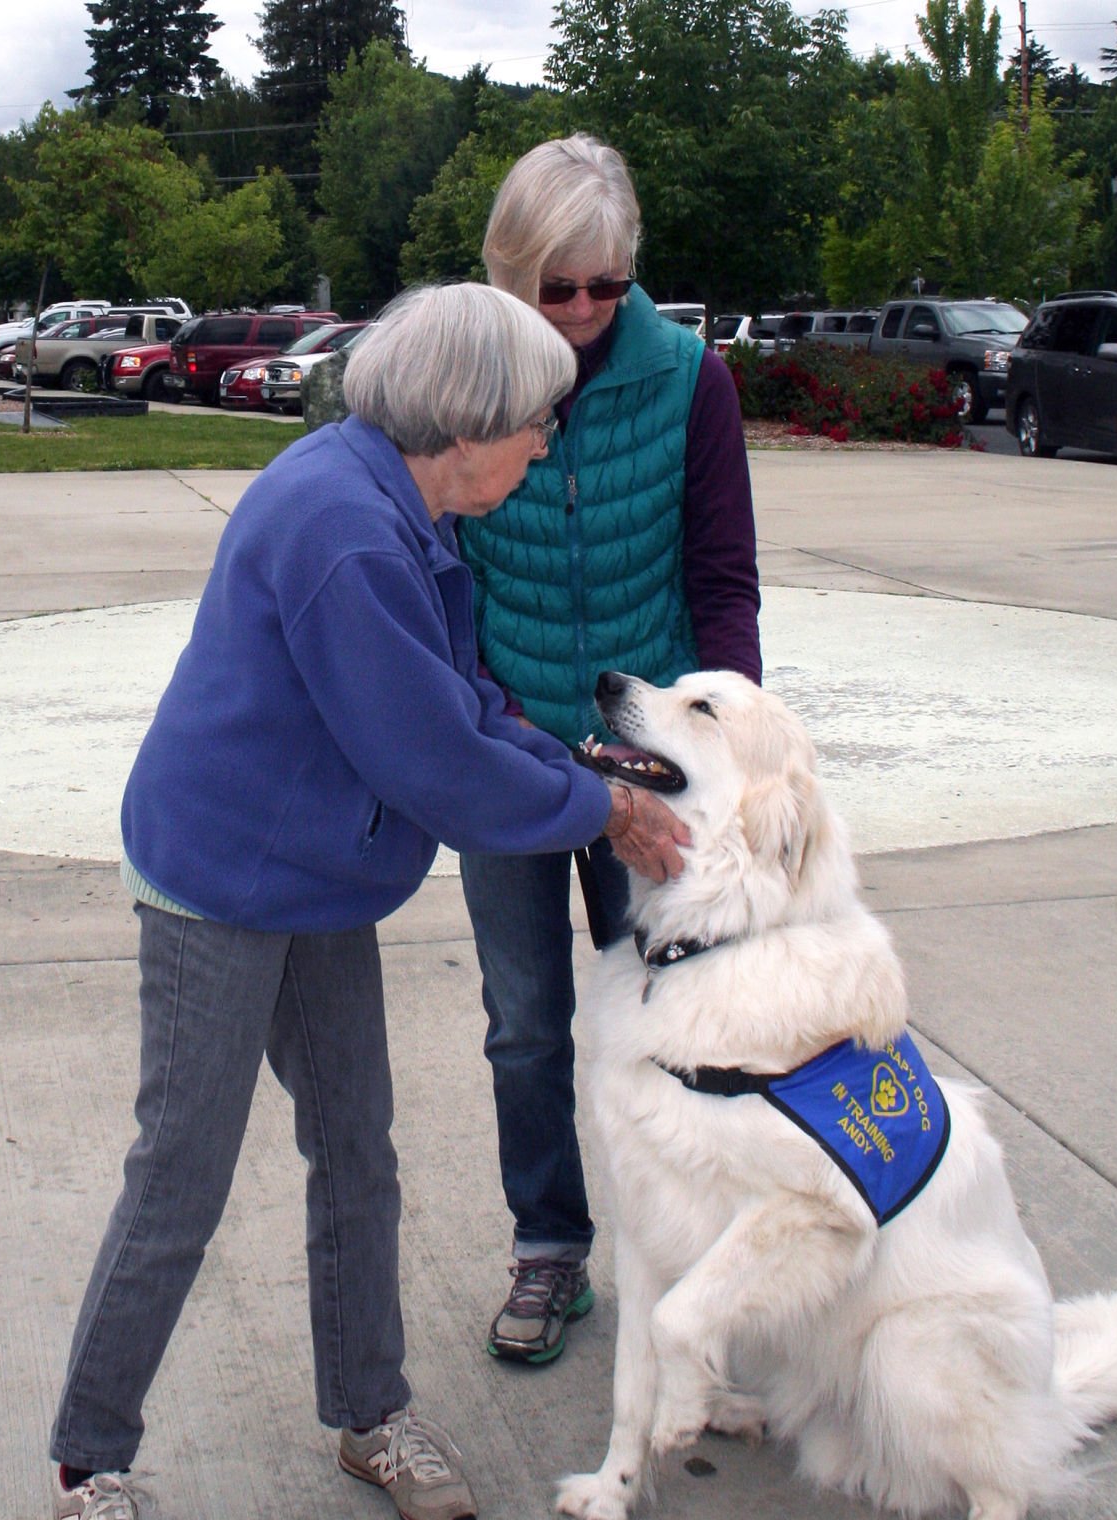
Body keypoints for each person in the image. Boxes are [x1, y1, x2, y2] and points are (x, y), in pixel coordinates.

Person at [48, 282, 689, 1520]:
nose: (545, 450)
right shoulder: (348, 530)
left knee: (356, 1151)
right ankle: (88, 1466)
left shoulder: (408, 504)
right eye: (537, 428)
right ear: (469, 423)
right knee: (181, 1177)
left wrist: (577, 770)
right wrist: (604, 807)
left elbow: (466, 702)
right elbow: (431, 759)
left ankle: (369, 1409)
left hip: (319, 873)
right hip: (220, 877)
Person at [457, 135, 762, 1366]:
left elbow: (723, 584)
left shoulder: (692, 379)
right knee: (527, 1023)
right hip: (506, 756)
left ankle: (702, 1253)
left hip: (654, 766)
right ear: (511, 274)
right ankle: (549, 1248)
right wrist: (500, 733)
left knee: (690, 1010)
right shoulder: (470, 383)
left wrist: (724, 752)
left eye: (606, 286)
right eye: (556, 288)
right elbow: (444, 583)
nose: (582, 313)